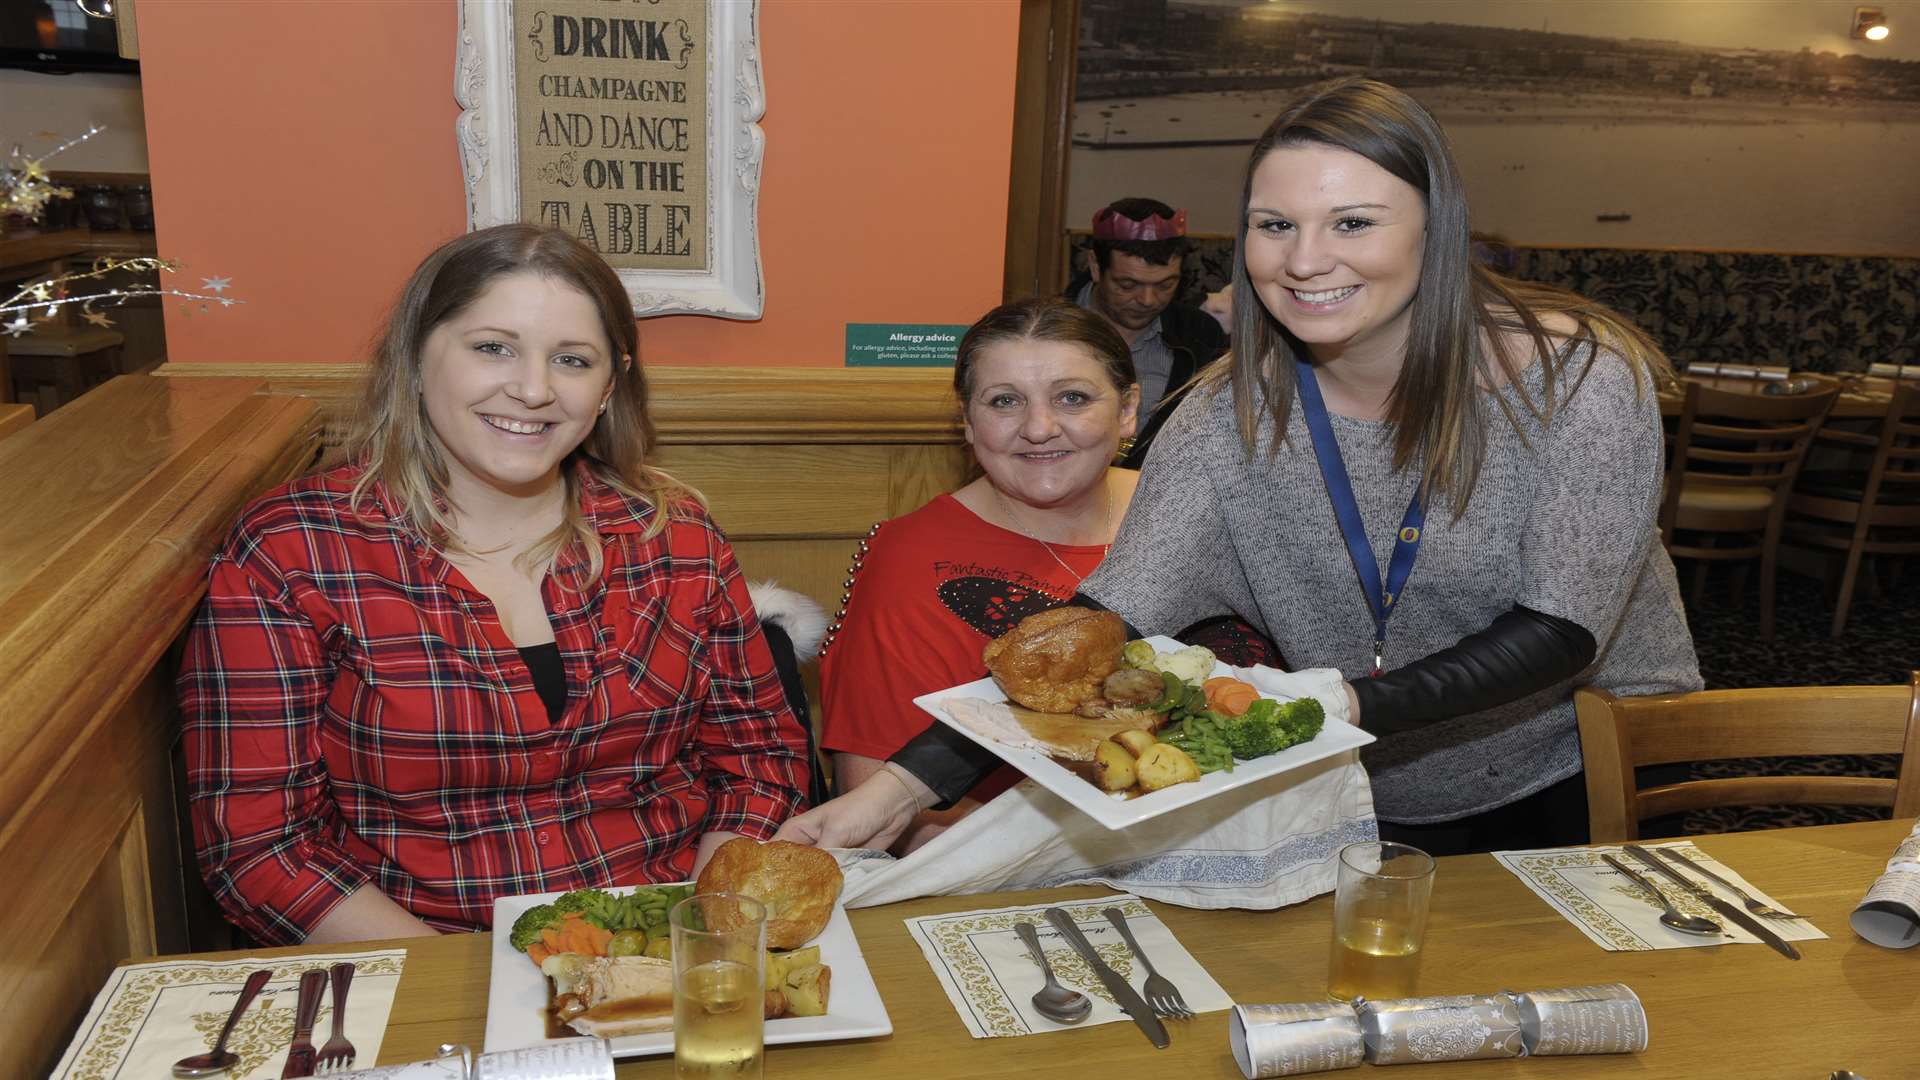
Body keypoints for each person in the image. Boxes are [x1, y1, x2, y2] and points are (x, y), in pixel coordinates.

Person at [779, 78, 1702, 858]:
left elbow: (1561, 628)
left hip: (1585, 770)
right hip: (1366, 782)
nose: (1305, 260)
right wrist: (897, 790)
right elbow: (1094, 636)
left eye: (1352, 221)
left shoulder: (1573, 378)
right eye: (1274, 224)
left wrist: (1341, 696)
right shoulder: (1227, 419)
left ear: (1435, 229)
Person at [179, 225, 811, 944]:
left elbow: (759, 764)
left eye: (572, 360)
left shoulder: (678, 538)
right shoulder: (292, 550)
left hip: (663, 938)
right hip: (424, 960)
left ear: (610, 386)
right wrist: (475, 993)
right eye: (492, 348)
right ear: (414, 357)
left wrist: (697, 941)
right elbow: (260, 847)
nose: (534, 389)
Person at [816, 298, 1142, 854]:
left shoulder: (1187, 518)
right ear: (967, 419)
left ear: (1128, 409)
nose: (1039, 428)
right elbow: (881, 802)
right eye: (1004, 402)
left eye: (1073, 397)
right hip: (1021, 877)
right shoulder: (911, 559)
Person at [1069, 197, 1228, 467]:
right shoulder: (1047, 329)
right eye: (1128, 284)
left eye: (1166, 285)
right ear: (1096, 267)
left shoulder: (1199, 335)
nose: (1148, 300)